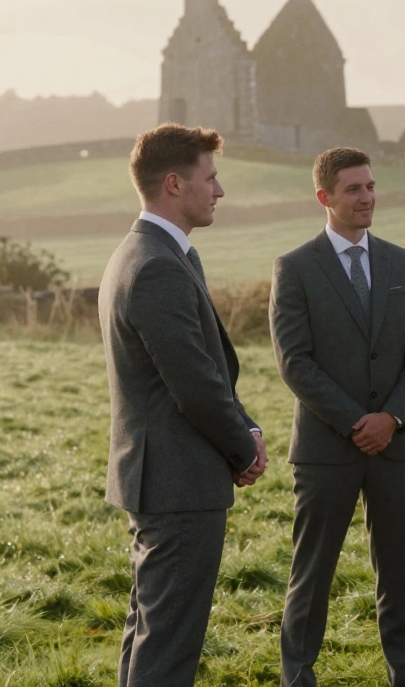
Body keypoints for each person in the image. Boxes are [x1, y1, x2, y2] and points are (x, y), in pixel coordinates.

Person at [99, 123, 268, 687]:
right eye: (210, 177)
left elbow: (203, 368)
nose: (219, 190)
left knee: (152, 630)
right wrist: (243, 448)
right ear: (174, 183)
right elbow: (192, 383)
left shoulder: (149, 253)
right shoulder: (156, 266)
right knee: (168, 646)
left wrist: (247, 426)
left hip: (164, 477)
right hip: (177, 480)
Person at [271, 147, 405, 687]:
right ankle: (298, 676)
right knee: (312, 574)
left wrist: (391, 417)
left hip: (397, 444)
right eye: (353, 189)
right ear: (324, 196)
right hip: (325, 449)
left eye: (370, 186)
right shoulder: (295, 268)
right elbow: (294, 362)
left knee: (399, 574)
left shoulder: (402, 262)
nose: (367, 197)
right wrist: (356, 422)